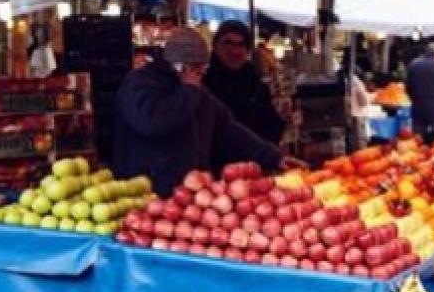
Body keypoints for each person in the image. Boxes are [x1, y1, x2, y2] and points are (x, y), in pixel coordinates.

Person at [114, 28, 301, 197]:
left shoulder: (197, 91)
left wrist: (274, 157)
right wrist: (188, 91)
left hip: (192, 193)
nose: (201, 74)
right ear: (181, 66)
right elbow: (153, 123)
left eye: (203, 68)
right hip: (148, 193)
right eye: (197, 68)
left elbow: (229, 129)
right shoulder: (140, 83)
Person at [202, 20, 286, 144]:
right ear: (215, 46)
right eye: (228, 44)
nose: (235, 51)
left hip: (256, 159)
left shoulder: (255, 84)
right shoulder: (204, 85)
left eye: (241, 45)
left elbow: (272, 127)